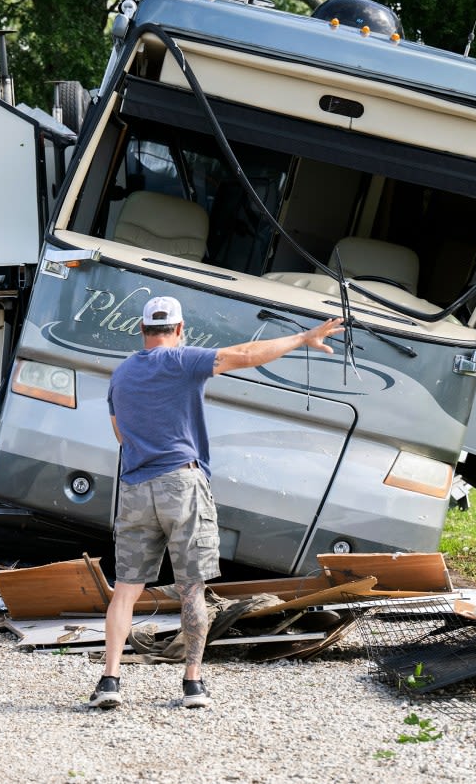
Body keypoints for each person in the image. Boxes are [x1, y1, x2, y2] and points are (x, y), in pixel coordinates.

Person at [89, 296, 344, 710]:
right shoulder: (181, 361)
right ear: (179, 328)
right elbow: (243, 354)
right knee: (191, 588)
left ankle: (110, 681)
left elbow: (120, 435)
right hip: (182, 484)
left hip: (136, 487)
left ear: (141, 330)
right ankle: (192, 684)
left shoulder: (121, 375)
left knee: (125, 590)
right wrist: (303, 337)